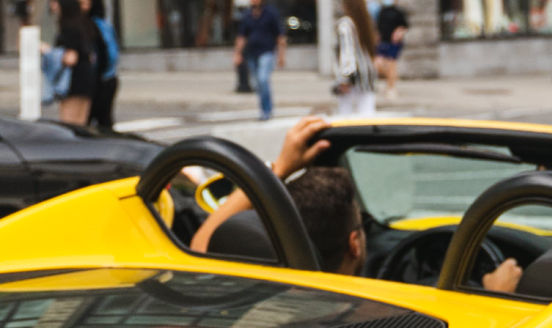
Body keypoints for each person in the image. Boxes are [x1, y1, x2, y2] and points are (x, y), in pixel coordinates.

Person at [190, 116, 522, 290]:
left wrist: (281, 166)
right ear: (354, 244)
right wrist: (496, 292)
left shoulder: (260, 290)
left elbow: (204, 242)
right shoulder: (375, 324)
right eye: (361, 226)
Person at [231, 0, 287, 120]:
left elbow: (280, 35)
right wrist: (237, 54)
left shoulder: (270, 13)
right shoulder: (247, 15)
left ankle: (267, 110)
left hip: (266, 51)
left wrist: (281, 55)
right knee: (257, 84)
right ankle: (263, 109)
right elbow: (241, 37)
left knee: (263, 79)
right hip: (251, 53)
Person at [51, 0, 100, 126]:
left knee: (69, 126)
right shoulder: (83, 24)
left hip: (74, 81)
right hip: (87, 78)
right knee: (81, 124)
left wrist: (48, 52)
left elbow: (70, 58)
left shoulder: (68, 27)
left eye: (55, 2)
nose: (52, 6)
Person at [333, 0, 379, 118]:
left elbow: (347, 51)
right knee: (367, 114)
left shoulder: (345, 24)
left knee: (345, 116)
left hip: (353, 75)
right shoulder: (364, 22)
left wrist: (344, 78)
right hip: (367, 73)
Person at [80, 0, 121, 132]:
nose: (80, 6)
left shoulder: (94, 25)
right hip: (106, 78)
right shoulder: (102, 24)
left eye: (84, 2)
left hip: (100, 80)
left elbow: (108, 54)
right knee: (103, 121)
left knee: (95, 122)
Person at [371, 0, 408, 103]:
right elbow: (376, 25)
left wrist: (399, 32)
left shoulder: (398, 12)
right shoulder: (380, 11)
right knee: (378, 64)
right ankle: (390, 81)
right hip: (382, 42)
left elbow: (404, 26)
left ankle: (391, 87)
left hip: (393, 42)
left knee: (391, 65)